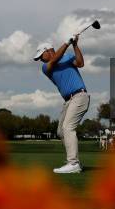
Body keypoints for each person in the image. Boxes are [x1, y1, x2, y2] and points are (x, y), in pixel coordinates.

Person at [34, 34, 90, 173]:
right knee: (61, 131)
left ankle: (73, 163)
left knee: (68, 127)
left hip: (79, 96)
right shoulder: (46, 67)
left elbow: (81, 63)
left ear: (48, 50)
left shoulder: (67, 57)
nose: (40, 59)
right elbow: (54, 60)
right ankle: (75, 162)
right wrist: (66, 43)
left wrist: (75, 45)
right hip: (68, 101)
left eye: (41, 55)